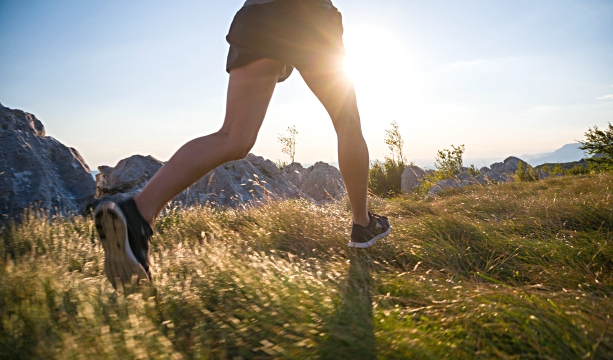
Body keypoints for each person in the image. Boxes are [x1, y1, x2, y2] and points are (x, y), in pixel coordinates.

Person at [94, 0, 391, 289]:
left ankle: (138, 213)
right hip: (309, 15)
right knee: (347, 124)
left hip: (256, 16)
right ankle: (362, 224)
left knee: (233, 136)